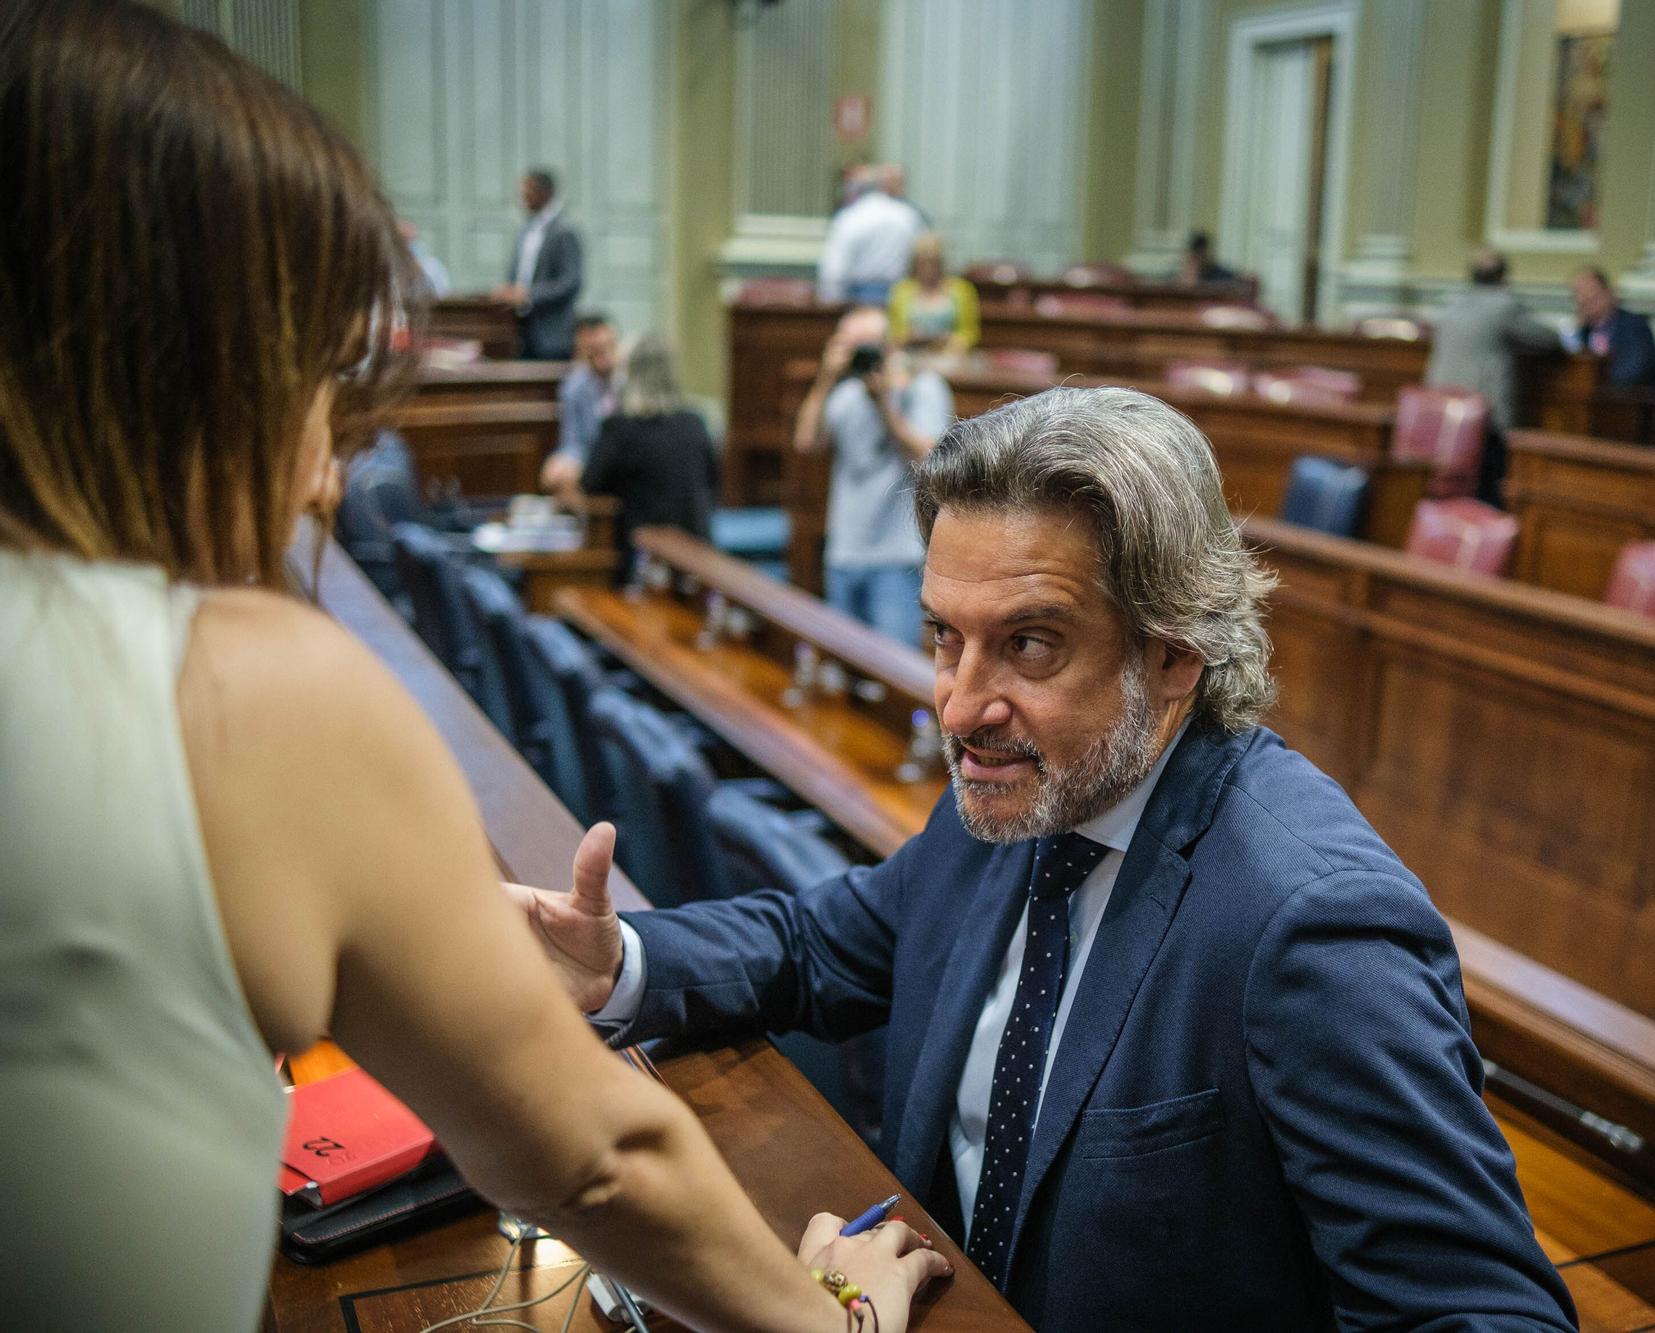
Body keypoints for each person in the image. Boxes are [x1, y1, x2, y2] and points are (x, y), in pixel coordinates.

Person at [0, 4, 950, 1329]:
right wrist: (830, 1323)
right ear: (182, 368)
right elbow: (593, 1156)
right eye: (312, 385)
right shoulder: (244, 694)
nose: (327, 469)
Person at [512, 385, 1581, 1331]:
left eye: (1028, 643)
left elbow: (1481, 1313)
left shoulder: (1315, 925)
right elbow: (819, 945)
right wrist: (616, 966)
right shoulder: (1014, 797)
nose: (959, 705)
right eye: (944, 636)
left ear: (1172, 654)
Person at [793, 309, 953, 646]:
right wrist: (825, 379)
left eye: (866, 346)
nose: (861, 356)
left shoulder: (923, 388)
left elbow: (930, 459)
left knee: (893, 666)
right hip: (844, 552)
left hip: (896, 556)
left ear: (890, 345)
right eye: (849, 346)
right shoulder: (844, 394)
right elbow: (806, 442)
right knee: (843, 667)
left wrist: (884, 405)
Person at [1426, 248, 1564, 499]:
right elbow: (1549, 340)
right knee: (1488, 486)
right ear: (1503, 278)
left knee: (1451, 483)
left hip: (1442, 406)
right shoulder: (1503, 306)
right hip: (1482, 413)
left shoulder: (1450, 305)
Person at [582, 335, 718, 582]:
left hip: (639, 562)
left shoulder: (620, 428)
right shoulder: (695, 424)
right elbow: (713, 481)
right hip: (697, 552)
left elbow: (590, 485)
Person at [492, 167, 584, 359]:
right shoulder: (526, 229)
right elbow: (519, 274)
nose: (523, 199)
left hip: (552, 333)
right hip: (521, 329)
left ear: (545, 193)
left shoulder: (564, 230)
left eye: (528, 193)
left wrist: (528, 295)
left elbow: (571, 283)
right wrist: (509, 290)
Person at [817, 166, 927, 307]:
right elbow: (925, 255)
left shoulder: (850, 217)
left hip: (859, 299)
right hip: (901, 297)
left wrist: (830, 303)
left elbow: (835, 270)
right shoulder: (907, 216)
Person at [540, 312, 621, 494]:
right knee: (555, 471)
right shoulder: (573, 387)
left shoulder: (629, 381)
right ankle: (589, 521)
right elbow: (571, 441)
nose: (603, 356)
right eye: (594, 350)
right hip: (589, 458)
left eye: (607, 347)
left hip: (625, 457)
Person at [1565, 266, 1655, 389]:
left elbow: (1634, 371)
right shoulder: (1583, 331)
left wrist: (1596, 384)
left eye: (1591, 292)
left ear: (1608, 293)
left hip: (1637, 400)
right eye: (1578, 294)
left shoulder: (1634, 325)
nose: (1584, 299)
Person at [887, 233, 980, 355]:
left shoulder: (962, 289)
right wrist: (910, 336)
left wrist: (949, 340)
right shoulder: (901, 290)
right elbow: (893, 334)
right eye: (923, 263)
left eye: (933, 263)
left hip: (949, 354)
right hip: (911, 353)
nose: (928, 269)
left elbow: (970, 333)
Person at [398, 218, 451, 298]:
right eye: (405, 239)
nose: (411, 244)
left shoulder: (433, 266)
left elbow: (443, 294)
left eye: (414, 238)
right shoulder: (389, 267)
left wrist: (420, 272)